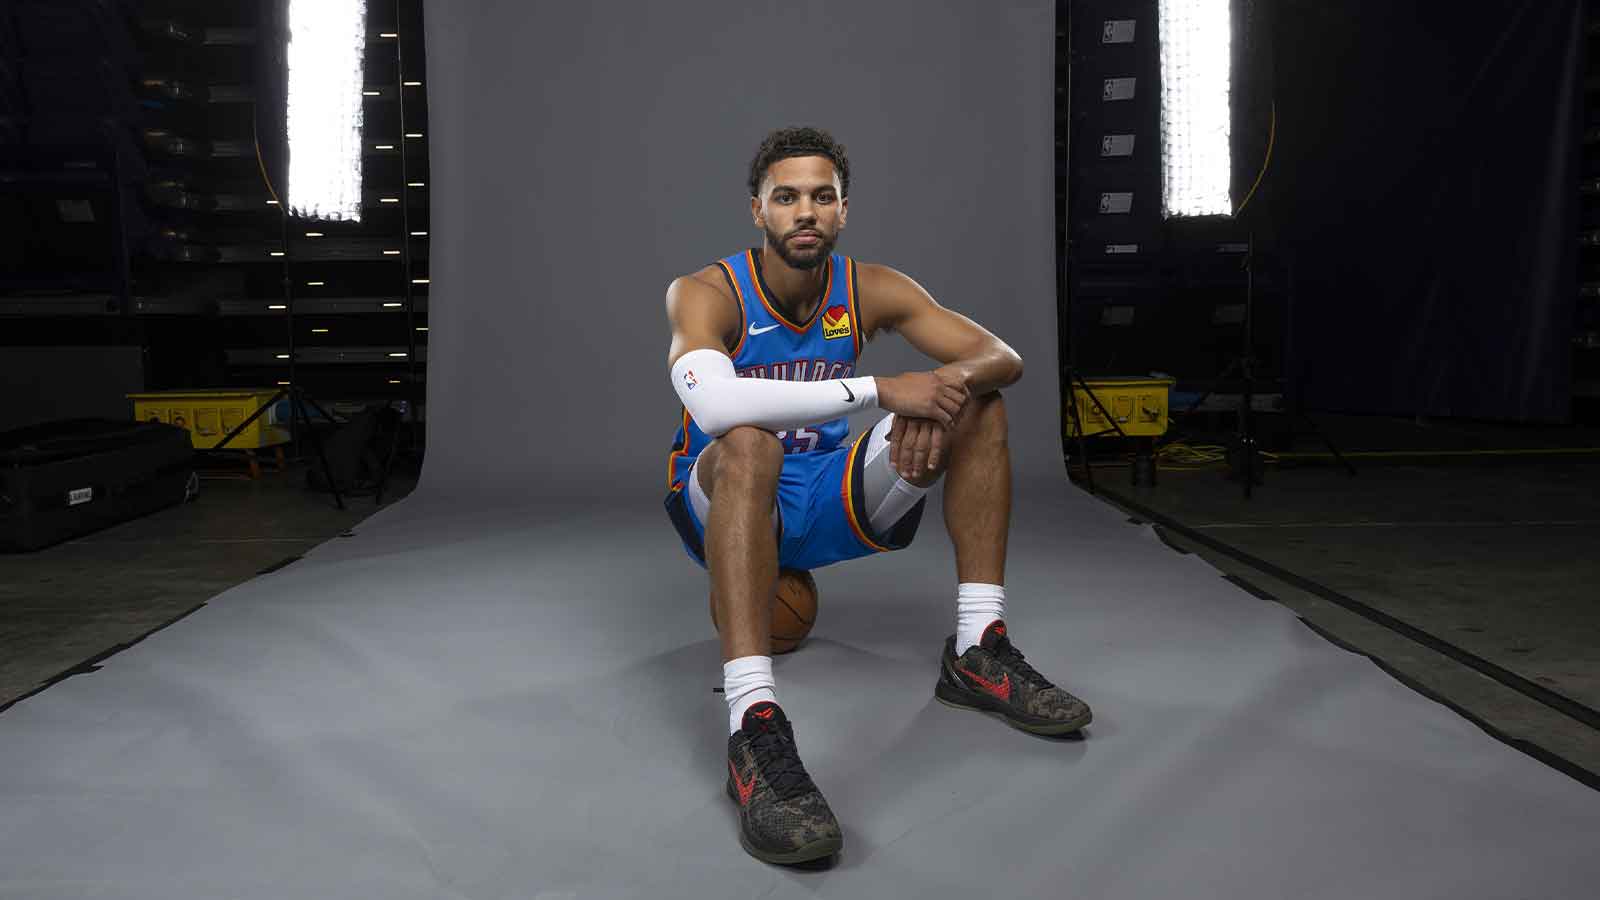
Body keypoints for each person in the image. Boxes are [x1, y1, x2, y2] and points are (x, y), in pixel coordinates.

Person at [662, 126, 1092, 866]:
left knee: (980, 402)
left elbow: (1004, 358)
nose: (806, 211)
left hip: (830, 494)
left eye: (822, 197)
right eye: (786, 197)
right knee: (748, 442)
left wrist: (943, 395)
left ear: (843, 210)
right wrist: (883, 390)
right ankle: (753, 724)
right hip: (729, 497)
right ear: (756, 210)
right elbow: (715, 409)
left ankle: (978, 649)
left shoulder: (868, 288)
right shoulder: (708, 293)